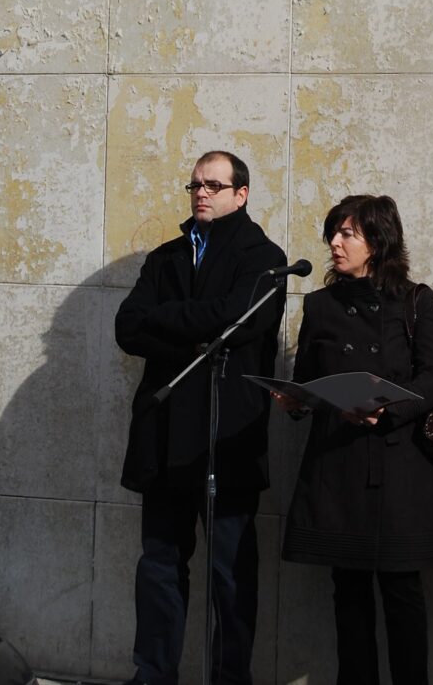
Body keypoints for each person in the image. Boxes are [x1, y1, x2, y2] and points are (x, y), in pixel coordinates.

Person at [115, 149, 286, 685]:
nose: (201, 194)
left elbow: (238, 320)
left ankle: (230, 678)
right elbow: (127, 327)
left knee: (230, 574)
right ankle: (153, 675)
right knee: (159, 566)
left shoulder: (265, 257)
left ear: (242, 193)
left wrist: (165, 323)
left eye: (213, 185)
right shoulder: (165, 258)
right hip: (164, 435)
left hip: (223, 438)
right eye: (194, 185)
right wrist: (194, 325)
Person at [279, 194, 433, 685]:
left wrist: (390, 408)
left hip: (400, 468)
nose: (335, 243)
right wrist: (297, 402)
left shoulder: (415, 300)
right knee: (348, 593)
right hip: (338, 466)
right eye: (333, 233)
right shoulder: (319, 305)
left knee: (402, 593)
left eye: (348, 233)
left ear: (378, 242)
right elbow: (310, 378)